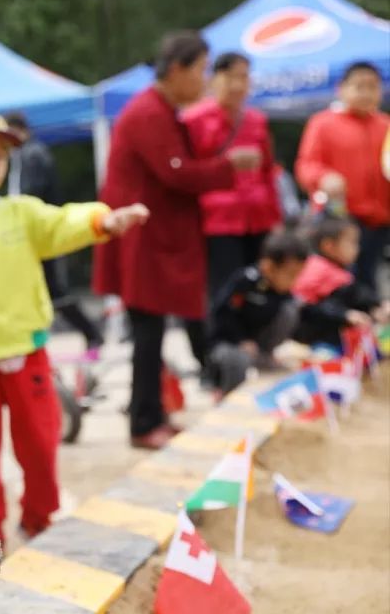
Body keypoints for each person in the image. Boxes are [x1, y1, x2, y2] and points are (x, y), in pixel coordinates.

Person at [0, 109, 148, 544]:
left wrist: (102, 220)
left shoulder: (21, 213)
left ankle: (39, 519)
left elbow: (62, 223)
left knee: (42, 444)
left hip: (28, 351)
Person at [92, 31, 261, 450]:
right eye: (201, 69)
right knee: (148, 333)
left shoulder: (162, 110)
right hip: (143, 240)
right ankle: (144, 421)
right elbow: (177, 172)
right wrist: (228, 165)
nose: (204, 79)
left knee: (153, 332)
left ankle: (153, 413)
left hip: (155, 237)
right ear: (176, 69)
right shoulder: (149, 112)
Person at [5, 113, 105, 358]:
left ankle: (92, 334)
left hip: (39, 231)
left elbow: (30, 195)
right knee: (47, 290)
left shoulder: (33, 154)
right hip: (32, 231)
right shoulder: (22, 155)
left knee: (54, 291)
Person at [183, 52, 280, 301]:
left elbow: (268, 172)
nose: (238, 85)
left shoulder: (257, 120)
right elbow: (186, 172)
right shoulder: (193, 120)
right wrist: (227, 165)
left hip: (258, 217)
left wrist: (275, 217)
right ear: (214, 79)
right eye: (230, 77)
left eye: (244, 77)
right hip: (217, 220)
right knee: (224, 291)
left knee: (259, 290)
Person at [295, 61, 390, 293]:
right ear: (342, 88)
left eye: (372, 87)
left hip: (380, 219)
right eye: (359, 86)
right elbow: (306, 165)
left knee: (372, 280)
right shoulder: (323, 123)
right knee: (343, 282)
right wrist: (323, 177)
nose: (366, 93)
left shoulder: (385, 125)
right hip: (341, 219)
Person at [206, 231, 308, 396]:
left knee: (291, 309)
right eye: (291, 274)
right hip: (230, 343)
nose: (294, 280)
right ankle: (224, 391)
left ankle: (265, 357)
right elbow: (223, 314)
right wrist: (240, 340)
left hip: (257, 344)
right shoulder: (245, 281)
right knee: (238, 362)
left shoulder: (281, 291)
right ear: (268, 267)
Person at [292, 216, 389, 350]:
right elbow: (307, 304)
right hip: (308, 333)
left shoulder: (336, 269)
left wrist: (378, 304)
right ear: (329, 246)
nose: (357, 249)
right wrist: (346, 315)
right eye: (352, 243)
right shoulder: (318, 268)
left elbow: (356, 293)